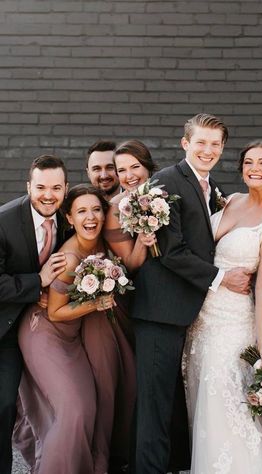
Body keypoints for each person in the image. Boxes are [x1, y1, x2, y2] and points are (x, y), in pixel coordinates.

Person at [131, 114, 255, 473]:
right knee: (154, 408)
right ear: (185, 143)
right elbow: (171, 251)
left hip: (188, 313)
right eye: (201, 142)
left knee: (167, 406)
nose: (208, 150)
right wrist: (221, 278)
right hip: (159, 312)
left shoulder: (209, 185)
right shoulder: (166, 181)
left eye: (215, 144)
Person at [183, 140, 262, 473]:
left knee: (225, 402)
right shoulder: (229, 201)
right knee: (201, 403)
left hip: (232, 324)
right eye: (248, 163)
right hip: (198, 320)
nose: (254, 169)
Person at [17, 184, 135, 474]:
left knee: (89, 404)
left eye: (96, 209)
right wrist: (97, 304)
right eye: (81, 211)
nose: (91, 217)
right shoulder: (69, 257)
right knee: (74, 409)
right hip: (44, 334)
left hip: (73, 336)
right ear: (69, 218)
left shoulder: (102, 245)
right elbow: (55, 312)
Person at [0, 155, 68, 474]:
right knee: (3, 406)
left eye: (56, 187)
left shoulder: (69, 221)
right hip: (6, 330)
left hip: (50, 328)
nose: (48, 194)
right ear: (29, 187)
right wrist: (37, 282)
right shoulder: (5, 221)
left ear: (65, 189)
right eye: (41, 187)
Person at [103, 139, 158, 275]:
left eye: (135, 167)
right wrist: (141, 238)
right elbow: (129, 266)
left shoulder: (162, 195)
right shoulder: (115, 208)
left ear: (147, 166)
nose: (129, 176)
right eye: (122, 170)